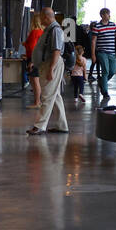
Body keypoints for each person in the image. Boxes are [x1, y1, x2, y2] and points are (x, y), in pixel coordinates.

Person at [27, 7, 69, 135]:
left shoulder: (55, 30)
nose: (40, 20)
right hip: (48, 64)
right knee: (54, 95)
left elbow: (56, 50)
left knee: (47, 95)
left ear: (46, 17)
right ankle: (62, 125)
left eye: (41, 17)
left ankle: (39, 125)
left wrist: (51, 68)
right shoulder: (50, 29)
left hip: (52, 64)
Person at [90, 8, 116, 100]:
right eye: (107, 14)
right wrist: (93, 55)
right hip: (102, 52)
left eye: (109, 14)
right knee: (105, 71)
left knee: (112, 71)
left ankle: (102, 83)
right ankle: (105, 92)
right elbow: (93, 41)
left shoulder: (113, 25)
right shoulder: (97, 26)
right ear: (102, 15)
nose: (109, 16)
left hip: (112, 52)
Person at [23, 12, 44, 109]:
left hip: (33, 59)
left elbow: (32, 48)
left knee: (34, 81)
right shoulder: (42, 32)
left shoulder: (34, 32)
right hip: (38, 59)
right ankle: (38, 101)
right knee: (36, 81)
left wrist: (31, 61)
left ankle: (37, 102)